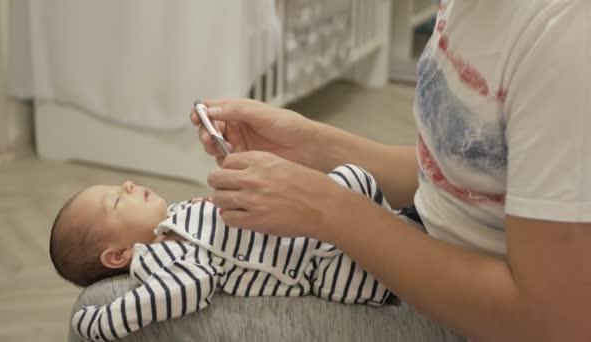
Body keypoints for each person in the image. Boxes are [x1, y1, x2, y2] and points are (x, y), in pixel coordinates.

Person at [190, 1, 591, 340]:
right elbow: (461, 182)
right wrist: (315, 147)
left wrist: (328, 210)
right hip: (421, 257)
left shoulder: (566, 42)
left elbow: (550, 323)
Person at [51, 165, 413, 341]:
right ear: (117, 256)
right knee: (352, 181)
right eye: (117, 200)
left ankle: (406, 231)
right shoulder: (160, 260)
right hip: (324, 266)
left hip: (310, 236)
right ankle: (405, 241)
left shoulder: (172, 217)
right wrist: (101, 322)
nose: (128, 184)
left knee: (352, 180)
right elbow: (190, 286)